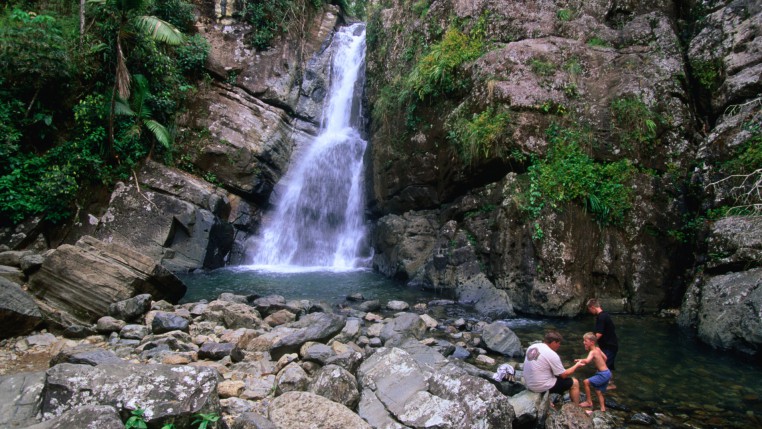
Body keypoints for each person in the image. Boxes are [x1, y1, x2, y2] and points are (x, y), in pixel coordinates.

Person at [522, 330, 583, 405]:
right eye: (559, 343)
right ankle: (576, 407)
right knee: (574, 383)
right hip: (538, 386)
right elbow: (564, 375)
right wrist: (576, 365)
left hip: (528, 383)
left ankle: (546, 399)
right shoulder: (551, 354)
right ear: (554, 342)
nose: (559, 346)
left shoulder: (533, 346)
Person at [586, 298, 618, 389]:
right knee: (607, 364)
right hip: (611, 345)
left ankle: (609, 384)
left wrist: (590, 343)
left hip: (609, 346)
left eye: (589, 309)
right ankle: (610, 382)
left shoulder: (601, 317)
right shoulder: (605, 315)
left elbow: (599, 334)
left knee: (604, 365)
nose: (589, 312)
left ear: (592, 307)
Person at [575, 332, 611, 412]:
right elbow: (605, 358)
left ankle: (589, 402)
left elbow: (587, 361)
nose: (584, 342)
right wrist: (601, 367)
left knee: (586, 382)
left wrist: (580, 360)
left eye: (585, 341)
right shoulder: (597, 349)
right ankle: (603, 408)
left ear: (592, 342)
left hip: (603, 374)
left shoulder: (592, 352)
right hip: (607, 372)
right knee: (598, 391)